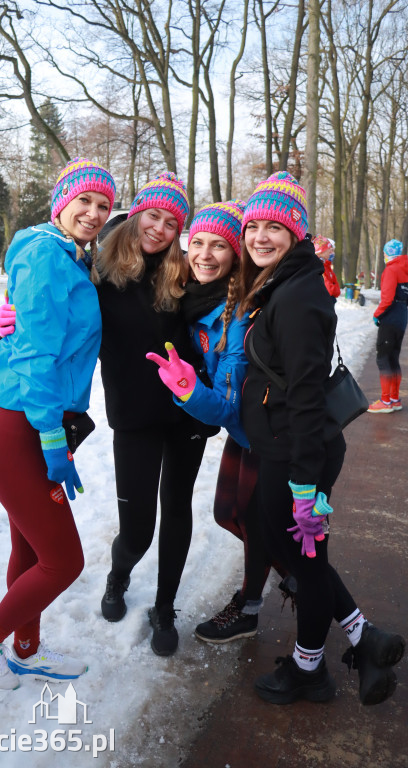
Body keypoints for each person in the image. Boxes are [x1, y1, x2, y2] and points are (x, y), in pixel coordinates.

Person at [237, 171, 405, 705]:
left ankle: (310, 670)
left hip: (297, 451)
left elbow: (307, 397)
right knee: (297, 553)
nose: (261, 236)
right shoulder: (283, 283)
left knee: (305, 561)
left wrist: (306, 485)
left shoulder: (298, 297)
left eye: (274, 228)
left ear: (297, 235)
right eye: (254, 226)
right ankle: (364, 637)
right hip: (284, 445)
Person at [0, 158, 116, 691]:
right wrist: (49, 436)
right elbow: (38, 355)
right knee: (64, 560)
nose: (93, 213)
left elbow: (33, 336)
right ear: (60, 202)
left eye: (103, 206)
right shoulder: (47, 253)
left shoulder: (69, 257)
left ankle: (26, 650)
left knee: (29, 549)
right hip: (19, 423)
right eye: (84, 201)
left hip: (29, 420)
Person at [147, 200, 290, 644]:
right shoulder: (188, 295)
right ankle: (300, 579)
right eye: (199, 243)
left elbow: (226, 404)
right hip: (246, 432)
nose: (205, 254)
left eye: (220, 246)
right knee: (230, 514)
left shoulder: (238, 313)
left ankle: (269, 598)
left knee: (253, 520)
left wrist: (187, 389)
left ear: (235, 256)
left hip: (265, 433)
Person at [96, 172, 221, 657]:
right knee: (137, 527)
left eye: (172, 222)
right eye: (154, 215)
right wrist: (12, 325)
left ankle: (165, 606)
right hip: (133, 413)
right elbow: (57, 316)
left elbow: (228, 300)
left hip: (186, 410)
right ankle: (118, 574)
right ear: (136, 213)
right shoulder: (100, 271)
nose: (160, 228)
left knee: (177, 509)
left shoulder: (184, 271)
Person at [367, 238, 408, 413]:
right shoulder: (405, 268)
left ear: (388, 253)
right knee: (393, 358)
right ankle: (394, 399)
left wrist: (377, 315)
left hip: (390, 318)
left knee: (383, 358)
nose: (383, 255)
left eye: (384, 252)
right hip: (402, 317)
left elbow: (387, 298)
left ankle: (385, 401)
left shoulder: (391, 269)